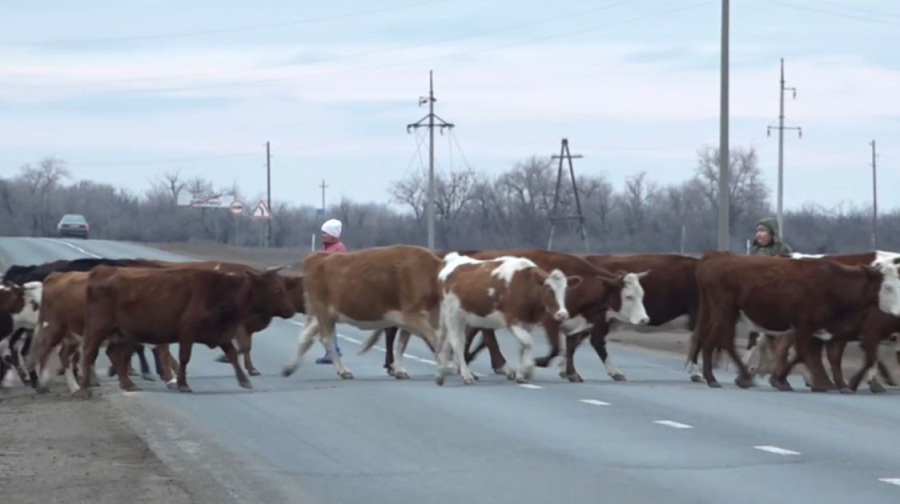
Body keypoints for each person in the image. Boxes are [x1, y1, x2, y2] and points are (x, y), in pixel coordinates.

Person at [316, 218, 347, 364]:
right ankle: (333, 350)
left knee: (326, 322)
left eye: (325, 233)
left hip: (332, 290)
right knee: (324, 322)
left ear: (333, 235)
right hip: (323, 288)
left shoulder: (339, 249)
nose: (322, 235)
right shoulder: (325, 249)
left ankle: (332, 351)